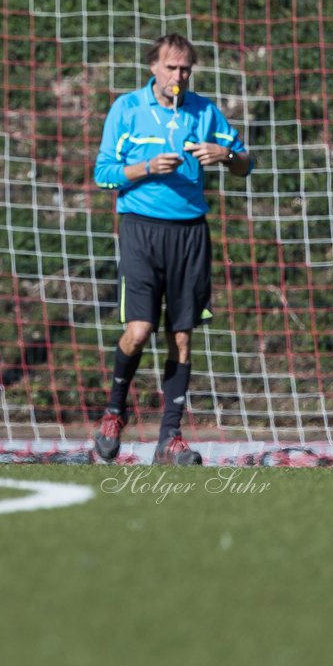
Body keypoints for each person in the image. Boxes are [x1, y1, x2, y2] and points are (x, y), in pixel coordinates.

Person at [92, 32, 253, 465]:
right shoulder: (126, 109)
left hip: (191, 234)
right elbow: (103, 174)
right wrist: (145, 168)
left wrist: (226, 154)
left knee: (182, 336)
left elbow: (245, 164)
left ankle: (170, 439)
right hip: (142, 230)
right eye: (171, 67)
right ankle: (113, 414)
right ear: (153, 68)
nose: (178, 75)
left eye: (185, 69)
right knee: (139, 329)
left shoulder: (204, 111)